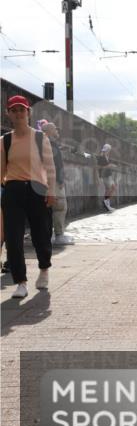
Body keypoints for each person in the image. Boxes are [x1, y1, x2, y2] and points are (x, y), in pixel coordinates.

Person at [1, 95, 56, 299]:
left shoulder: (41, 138)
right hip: (13, 190)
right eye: (13, 110)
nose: (18, 114)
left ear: (28, 113)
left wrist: (51, 192)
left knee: (40, 235)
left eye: (21, 110)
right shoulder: (5, 141)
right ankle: (21, 282)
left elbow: (50, 168)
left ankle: (44, 269)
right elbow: (1, 173)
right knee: (13, 239)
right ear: (8, 114)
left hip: (37, 190)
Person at [39, 121, 72, 245]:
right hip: (53, 182)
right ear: (49, 131)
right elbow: (53, 165)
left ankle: (51, 234)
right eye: (55, 129)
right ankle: (58, 235)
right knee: (59, 207)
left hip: (47, 181)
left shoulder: (46, 143)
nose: (57, 131)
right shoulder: (49, 144)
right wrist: (59, 180)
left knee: (49, 208)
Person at [97, 144, 118, 210]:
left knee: (112, 188)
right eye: (108, 150)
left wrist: (112, 165)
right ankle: (106, 202)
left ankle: (107, 203)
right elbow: (98, 167)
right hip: (105, 175)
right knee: (109, 188)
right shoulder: (101, 157)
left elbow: (107, 165)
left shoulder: (106, 156)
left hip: (109, 175)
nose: (109, 151)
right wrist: (108, 166)